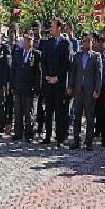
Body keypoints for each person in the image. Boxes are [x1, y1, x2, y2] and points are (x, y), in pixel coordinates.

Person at [67, 33, 102, 151]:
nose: (86, 43)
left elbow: (98, 75)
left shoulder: (96, 56)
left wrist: (97, 89)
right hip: (78, 91)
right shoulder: (77, 56)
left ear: (92, 42)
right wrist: (70, 86)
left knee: (90, 117)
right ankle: (76, 141)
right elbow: (73, 73)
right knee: (76, 117)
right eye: (84, 41)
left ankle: (89, 143)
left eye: (88, 41)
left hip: (89, 91)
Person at [41, 18, 72, 147]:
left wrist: (57, 78)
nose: (51, 28)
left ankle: (60, 137)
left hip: (59, 83)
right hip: (48, 82)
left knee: (60, 110)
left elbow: (66, 63)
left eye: (53, 26)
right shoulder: (48, 42)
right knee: (48, 110)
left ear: (59, 28)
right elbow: (43, 61)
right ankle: (47, 136)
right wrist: (47, 76)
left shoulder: (65, 43)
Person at [10, 32, 42, 142]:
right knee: (18, 112)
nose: (26, 42)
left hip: (30, 88)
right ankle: (18, 133)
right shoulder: (18, 53)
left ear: (32, 41)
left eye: (29, 40)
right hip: (19, 87)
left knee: (29, 113)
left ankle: (29, 134)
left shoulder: (36, 54)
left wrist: (37, 88)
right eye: (25, 40)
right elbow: (13, 69)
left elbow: (38, 73)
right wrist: (12, 84)